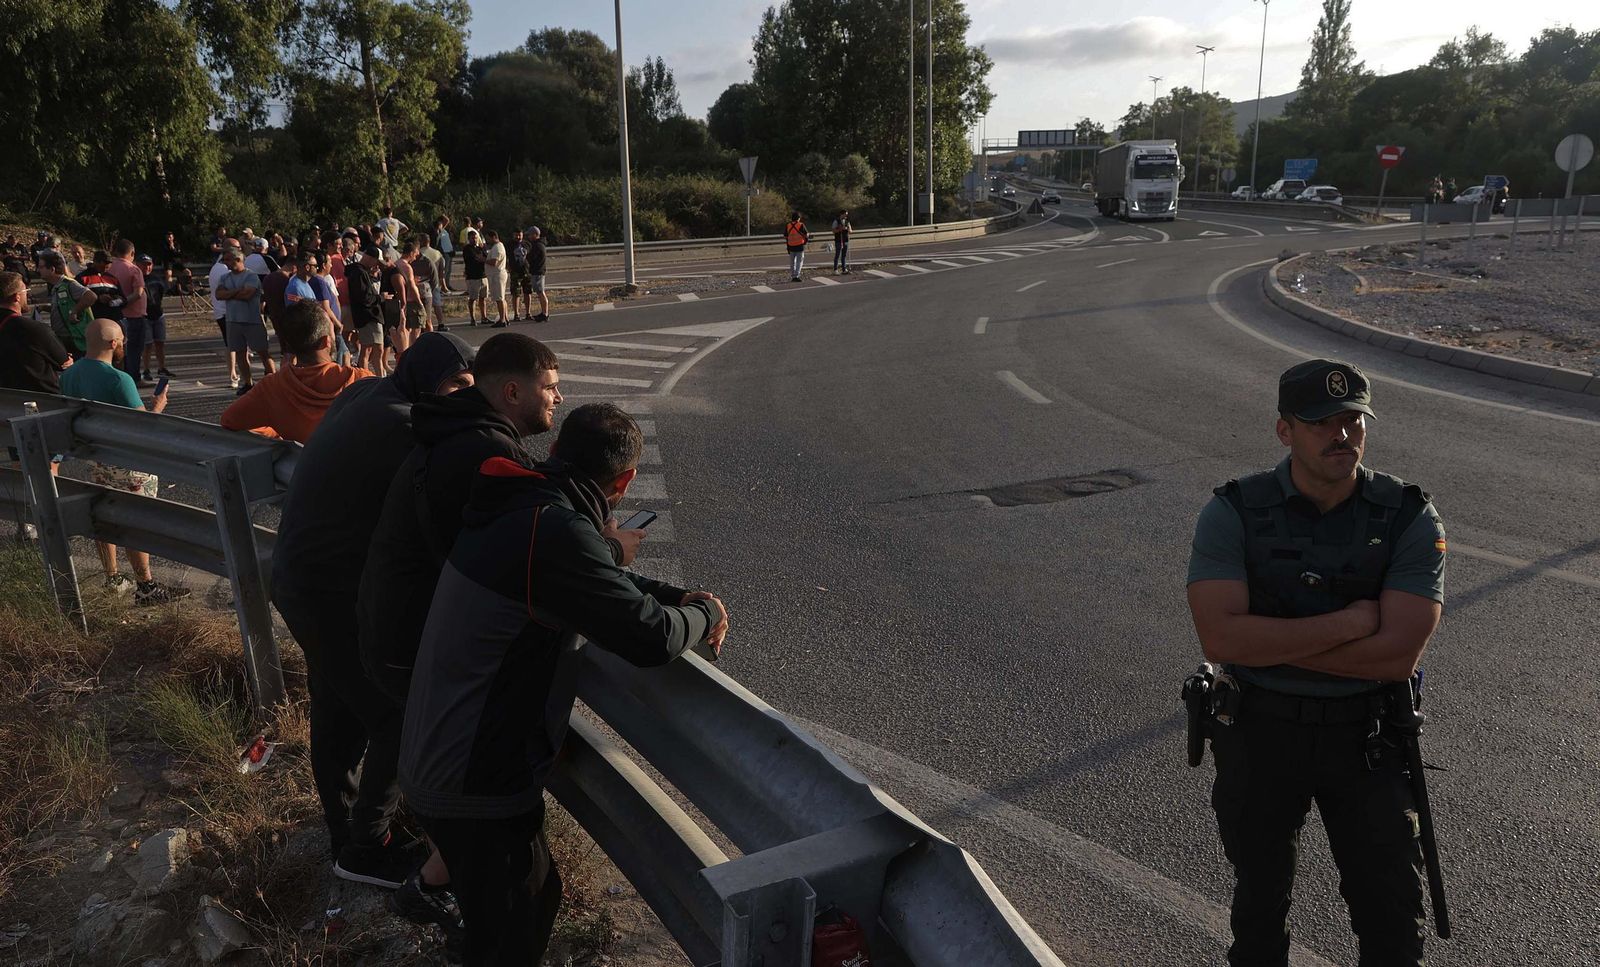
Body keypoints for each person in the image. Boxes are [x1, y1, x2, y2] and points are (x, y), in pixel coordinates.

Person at [399, 401, 727, 965]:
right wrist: (706, 614)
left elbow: (591, 575)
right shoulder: (552, 532)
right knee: (514, 924)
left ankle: (438, 908)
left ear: (555, 452)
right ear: (623, 481)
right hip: (472, 778)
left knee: (525, 899)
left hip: (442, 754)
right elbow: (646, 638)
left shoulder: (523, 504)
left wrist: (676, 597)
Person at [1185, 358, 1446, 967]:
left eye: (1355, 419)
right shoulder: (1234, 512)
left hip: (1367, 739)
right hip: (1260, 732)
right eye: (1322, 421)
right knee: (1258, 912)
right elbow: (1221, 641)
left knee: (1391, 921)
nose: (1343, 434)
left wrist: (1271, 641)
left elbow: (1396, 656)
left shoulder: (1407, 515)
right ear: (1285, 431)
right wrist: (1351, 624)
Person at [270, 332, 476, 911]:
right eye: (457, 385)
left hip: (300, 579)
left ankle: (347, 835)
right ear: (428, 380)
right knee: (396, 712)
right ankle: (367, 849)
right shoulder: (407, 425)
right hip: (330, 592)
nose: (463, 397)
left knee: (337, 708)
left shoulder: (366, 396)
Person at [58, 319, 191, 605]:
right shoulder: (119, 379)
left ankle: (113, 577)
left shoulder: (69, 375)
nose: (124, 343)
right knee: (136, 522)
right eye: (122, 338)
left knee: (106, 516)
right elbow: (142, 426)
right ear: (112, 344)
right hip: (128, 462)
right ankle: (147, 586)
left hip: (96, 458)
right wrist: (158, 406)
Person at [220, 300, 373, 444]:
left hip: (304, 468)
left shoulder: (273, 388)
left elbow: (230, 420)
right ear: (326, 341)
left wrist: (276, 433)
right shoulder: (361, 381)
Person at [0, 270, 72, 396]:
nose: (27, 295)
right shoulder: (33, 329)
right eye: (26, 291)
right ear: (17, 297)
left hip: (6, 400)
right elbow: (64, 362)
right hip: (40, 400)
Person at [215, 249, 276, 396]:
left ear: (238, 260)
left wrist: (229, 293)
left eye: (228, 260)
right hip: (233, 321)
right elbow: (219, 294)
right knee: (240, 353)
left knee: (263, 352)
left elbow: (247, 294)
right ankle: (248, 383)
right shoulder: (224, 277)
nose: (225, 263)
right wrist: (236, 291)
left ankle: (273, 381)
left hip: (252, 320)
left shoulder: (251, 276)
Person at [105, 240, 149, 385]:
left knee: (119, 350)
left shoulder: (110, 268)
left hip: (117, 316)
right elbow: (138, 293)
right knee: (134, 349)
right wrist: (123, 302)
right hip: (134, 315)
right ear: (132, 253)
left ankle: (121, 378)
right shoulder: (133, 269)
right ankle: (134, 378)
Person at [40, 253, 97, 358]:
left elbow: (91, 296)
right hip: (63, 338)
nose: (38, 270)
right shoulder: (56, 287)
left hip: (75, 339)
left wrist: (75, 311)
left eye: (41, 267)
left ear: (52, 269)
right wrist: (44, 308)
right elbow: (63, 307)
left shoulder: (69, 284)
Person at [347, 245, 387, 374]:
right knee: (369, 349)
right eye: (376, 261)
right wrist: (381, 297)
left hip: (367, 316)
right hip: (368, 316)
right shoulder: (359, 273)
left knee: (375, 349)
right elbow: (364, 297)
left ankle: (375, 377)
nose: (377, 265)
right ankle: (366, 378)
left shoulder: (360, 272)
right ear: (370, 258)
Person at [209, 243, 242, 389]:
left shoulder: (216, 267)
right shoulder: (223, 270)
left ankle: (234, 374)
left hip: (221, 311)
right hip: (227, 311)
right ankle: (233, 375)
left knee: (231, 344)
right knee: (233, 345)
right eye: (238, 247)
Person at [138, 255, 174, 381]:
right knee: (147, 344)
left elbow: (162, 293)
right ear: (138, 265)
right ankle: (146, 369)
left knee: (160, 342)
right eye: (144, 264)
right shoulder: (137, 278)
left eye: (149, 264)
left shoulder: (157, 279)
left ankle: (161, 367)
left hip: (158, 314)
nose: (147, 267)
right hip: (145, 315)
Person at [417, 232, 445, 332]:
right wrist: (442, 282)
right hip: (435, 281)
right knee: (437, 304)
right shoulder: (437, 253)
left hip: (423, 283)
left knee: (424, 306)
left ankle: (425, 325)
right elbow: (441, 269)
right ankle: (441, 323)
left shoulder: (419, 253)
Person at [482, 229, 509, 327]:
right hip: (496, 275)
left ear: (493, 237)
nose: (487, 240)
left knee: (499, 298)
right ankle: (505, 318)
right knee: (501, 297)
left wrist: (483, 259)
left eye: (488, 238)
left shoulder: (497, 247)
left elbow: (494, 262)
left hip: (497, 275)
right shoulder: (496, 247)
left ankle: (502, 320)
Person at [460, 229, 486, 326]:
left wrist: (482, 259)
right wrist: (481, 259)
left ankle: (484, 317)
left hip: (482, 275)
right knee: (473, 298)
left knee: (483, 298)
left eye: (475, 238)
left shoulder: (480, 248)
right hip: (472, 276)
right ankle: (473, 318)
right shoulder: (467, 249)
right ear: (469, 239)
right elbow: (475, 259)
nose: (474, 240)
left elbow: (485, 258)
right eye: (472, 238)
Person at [507, 229, 533, 322]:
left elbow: (531, 257)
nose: (518, 237)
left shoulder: (527, 244)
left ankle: (528, 313)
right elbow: (506, 256)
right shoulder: (509, 244)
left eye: (520, 235)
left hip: (526, 271)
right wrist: (508, 267)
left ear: (522, 235)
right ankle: (516, 314)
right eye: (516, 235)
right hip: (515, 272)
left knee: (528, 292)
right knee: (516, 293)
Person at [526, 226, 549, 323]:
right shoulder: (538, 244)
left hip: (538, 272)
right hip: (537, 271)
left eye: (530, 234)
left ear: (535, 234)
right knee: (539, 292)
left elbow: (531, 258)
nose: (529, 236)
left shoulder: (538, 245)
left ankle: (545, 313)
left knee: (541, 292)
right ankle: (544, 312)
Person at [784, 211, 808, 282]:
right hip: (800, 245)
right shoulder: (801, 225)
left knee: (792, 262)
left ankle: (793, 275)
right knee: (799, 261)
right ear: (798, 218)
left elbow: (785, 236)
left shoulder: (788, 225)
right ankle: (796, 276)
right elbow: (806, 234)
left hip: (791, 246)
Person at [434, 216, 456, 294]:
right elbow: (447, 220)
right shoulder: (438, 231)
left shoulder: (444, 231)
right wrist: (442, 215)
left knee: (448, 270)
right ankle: (442, 287)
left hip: (449, 251)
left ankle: (447, 284)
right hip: (444, 252)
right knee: (444, 271)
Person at [830, 209, 852, 274]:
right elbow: (833, 231)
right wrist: (839, 229)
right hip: (838, 240)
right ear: (841, 214)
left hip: (845, 240)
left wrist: (848, 229)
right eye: (845, 214)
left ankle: (844, 269)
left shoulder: (847, 222)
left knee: (844, 255)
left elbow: (851, 231)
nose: (846, 216)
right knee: (837, 255)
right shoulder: (836, 221)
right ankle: (835, 269)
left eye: (847, 215)